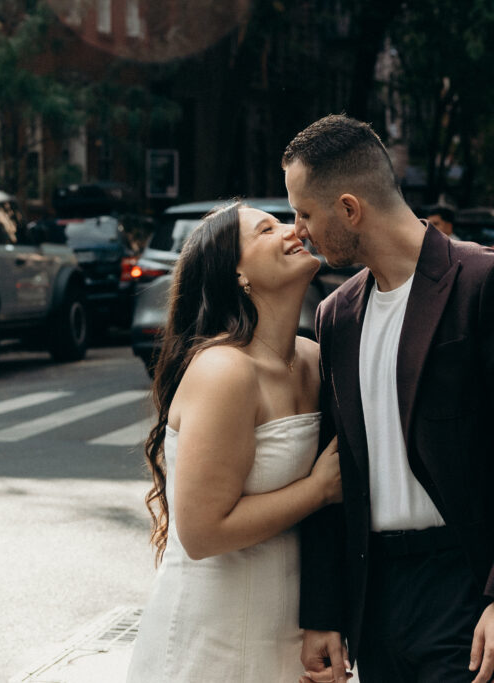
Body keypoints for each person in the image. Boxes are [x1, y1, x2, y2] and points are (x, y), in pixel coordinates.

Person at [282, 115, 494, 683]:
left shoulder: (491, 282)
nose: (299, 231)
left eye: (304, 213)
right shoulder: (336, 315)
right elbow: (334, 473)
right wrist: (323, 614)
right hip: (377, 594)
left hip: (470, 585)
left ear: (349, 209)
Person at [126, 202, 345, 681]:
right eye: (268, 228)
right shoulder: (224, 370)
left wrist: (325, 621)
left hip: (287, 633)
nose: (293, 230)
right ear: (238, 274)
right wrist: (319, 489)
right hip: (215, 637)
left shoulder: (313, 359)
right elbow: (202, 533)